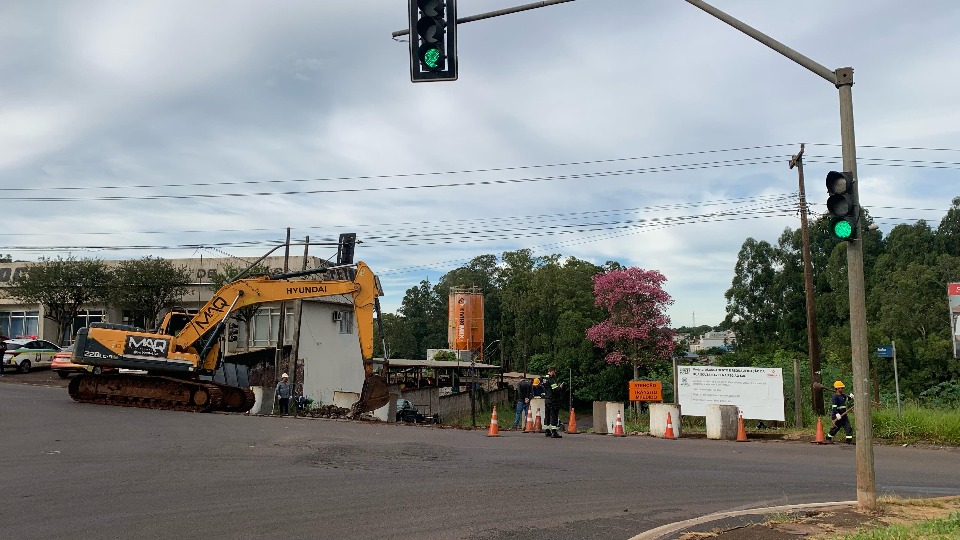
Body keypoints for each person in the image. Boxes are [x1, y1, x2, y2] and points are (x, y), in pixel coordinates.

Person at [542, 366, 565, 439]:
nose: (555, 373)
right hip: (553, 400)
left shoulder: (544, 379)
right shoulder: (551, 379)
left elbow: (544, 389)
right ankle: (554, 432)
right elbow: (555, 390)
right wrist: (560, 387)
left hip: (547, 399)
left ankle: (547, 430)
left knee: (547, 415)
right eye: (555, 372)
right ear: (552, 371)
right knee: (554, 415)